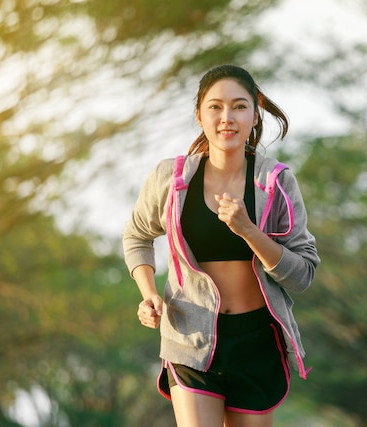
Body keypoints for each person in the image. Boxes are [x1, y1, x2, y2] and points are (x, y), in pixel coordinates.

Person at [122, 64, 320, 427]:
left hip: (257, 341)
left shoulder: (276, 183)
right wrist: (148, 293)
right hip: (189, 336)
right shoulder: (171, 179)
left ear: (255, 113)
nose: (226, 117)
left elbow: (303, 274)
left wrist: (248, 230)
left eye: (239, 106)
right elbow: (137, 235)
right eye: (215, 107)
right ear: (199, 114)